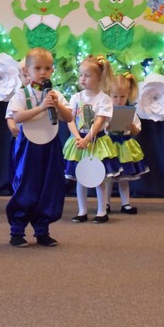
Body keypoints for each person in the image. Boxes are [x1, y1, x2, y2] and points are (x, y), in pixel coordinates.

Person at [6, 47, 72, 247]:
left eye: (48, 68)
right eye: (38, 68)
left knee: (48, 186)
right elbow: (17, 117)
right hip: (28, 147)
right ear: (27, 71)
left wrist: (57, 105)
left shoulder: (55, 94)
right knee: (26, 185)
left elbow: (68, 117)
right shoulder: (22, 94)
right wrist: (41, 107)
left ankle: (42, 230)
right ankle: (17, 230)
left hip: (50, 145)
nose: (43, 72)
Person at [63, 55, 119, 223]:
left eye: (87, 75)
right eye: (81, 75)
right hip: (79, 141)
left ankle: (102, 211)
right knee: (81, 177)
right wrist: (77, 138)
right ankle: (82, 211)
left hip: (96, 141)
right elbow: (69, 119)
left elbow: (99, 121)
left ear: (99, 78)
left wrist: (87, 139)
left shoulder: (104, 99)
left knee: (98, 177)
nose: (82, 79)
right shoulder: (76, 98)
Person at [105, 73, 147, 214]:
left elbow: (136, 131)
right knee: (108, 177)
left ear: (127, 95)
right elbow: (100, 127)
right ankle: (105, 203)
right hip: (109, 145)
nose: (119, 100)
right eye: (115, 96)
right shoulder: (106, 111)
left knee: (124, 178)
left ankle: (126, 203)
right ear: (109, 95)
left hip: (124, 147)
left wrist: (132, 127)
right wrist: (107, 127)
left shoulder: (131, 112)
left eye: (122, 97)